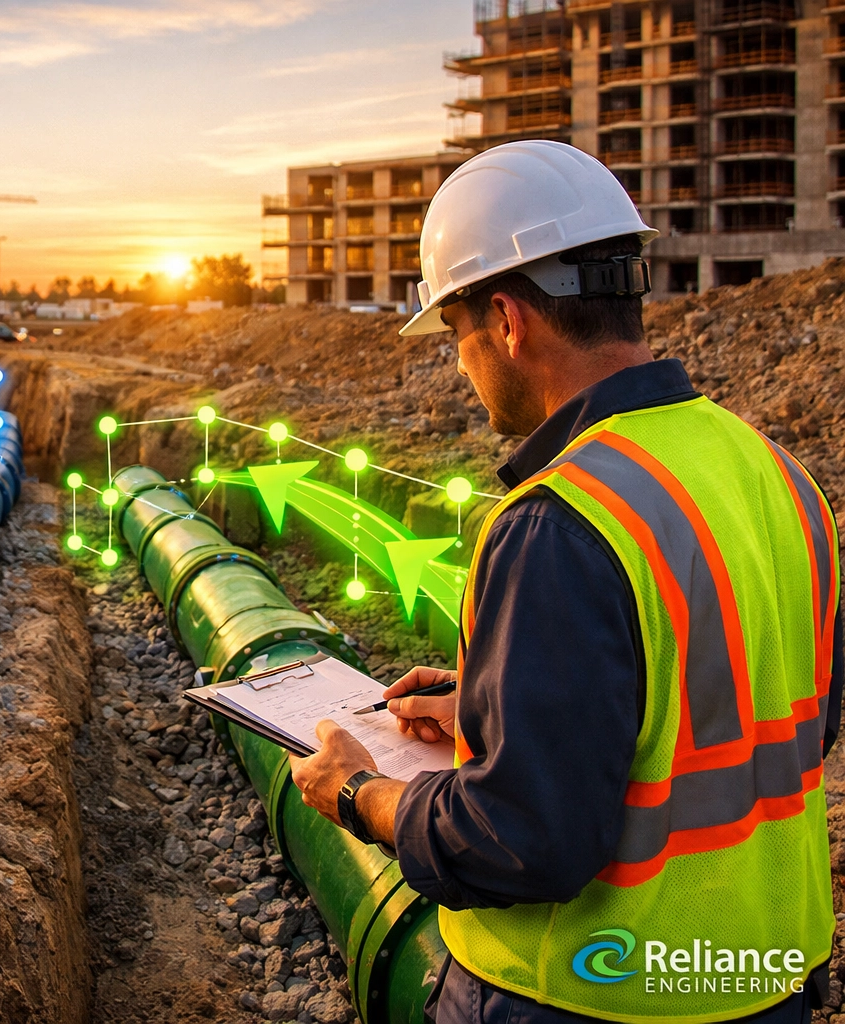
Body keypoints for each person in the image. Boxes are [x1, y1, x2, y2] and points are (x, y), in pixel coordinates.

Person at [287, 140, 841, 1024]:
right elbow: (777, 706)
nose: (463, 369)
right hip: (761, 977)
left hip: (591, 992)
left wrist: (359, 791)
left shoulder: (561, 520)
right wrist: (498, 699)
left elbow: (520, 842)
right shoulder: (778, 474)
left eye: (457, 337)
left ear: (507, 321)